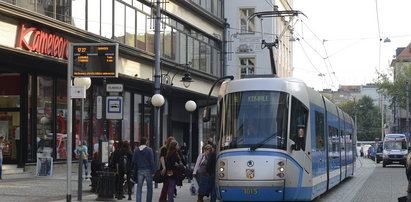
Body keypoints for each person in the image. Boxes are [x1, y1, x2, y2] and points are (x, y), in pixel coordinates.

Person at [133, 137, 155, 202]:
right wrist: (153, 171)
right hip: (148, 170)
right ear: (146, 142)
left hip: (140, 170)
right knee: (149, 188)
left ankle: (138, 200)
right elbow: (152, 161)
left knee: (139, 188)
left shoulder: (136, 150)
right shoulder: (149, 150)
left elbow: (134, 160)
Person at [159, 136, 176, 202]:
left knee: (168, 182)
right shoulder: (165, 149)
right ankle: (163, 198)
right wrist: (164, 167)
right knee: (167, 182)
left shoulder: (171, 149)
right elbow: (162, 158)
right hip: (166, 168)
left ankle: (165, 197)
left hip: (169, 169)